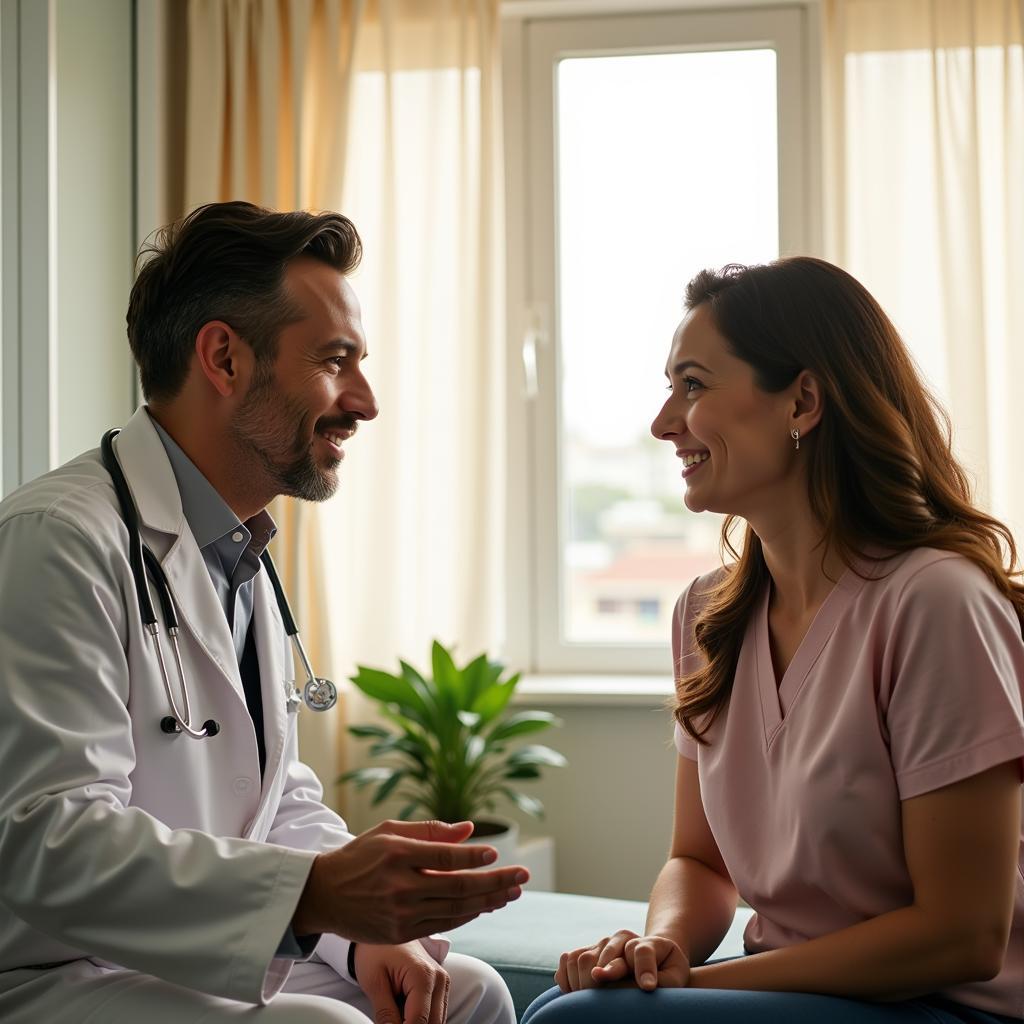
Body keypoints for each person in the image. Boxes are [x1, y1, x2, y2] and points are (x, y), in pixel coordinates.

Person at [0, 201, 528, 1024]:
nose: (365, 400)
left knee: (466, 993)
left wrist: (359, 936)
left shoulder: (237, 548)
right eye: (335, 361)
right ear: (224, 359)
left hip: (190, 960)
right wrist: (314, 898)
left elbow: (271, 800)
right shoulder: (58, 541)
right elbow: (48, 842)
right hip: (58, 974)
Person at [524, 258, 1024, 1024]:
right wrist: (661, 947)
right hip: (791, 993)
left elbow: (962, 936)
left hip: (950, 1006)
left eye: (693, 385)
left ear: (804, 399)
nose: (664, 422)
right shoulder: (705, 615)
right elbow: (699, 860)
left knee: (575, 1019)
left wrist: (696, 989)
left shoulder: (934, 602)